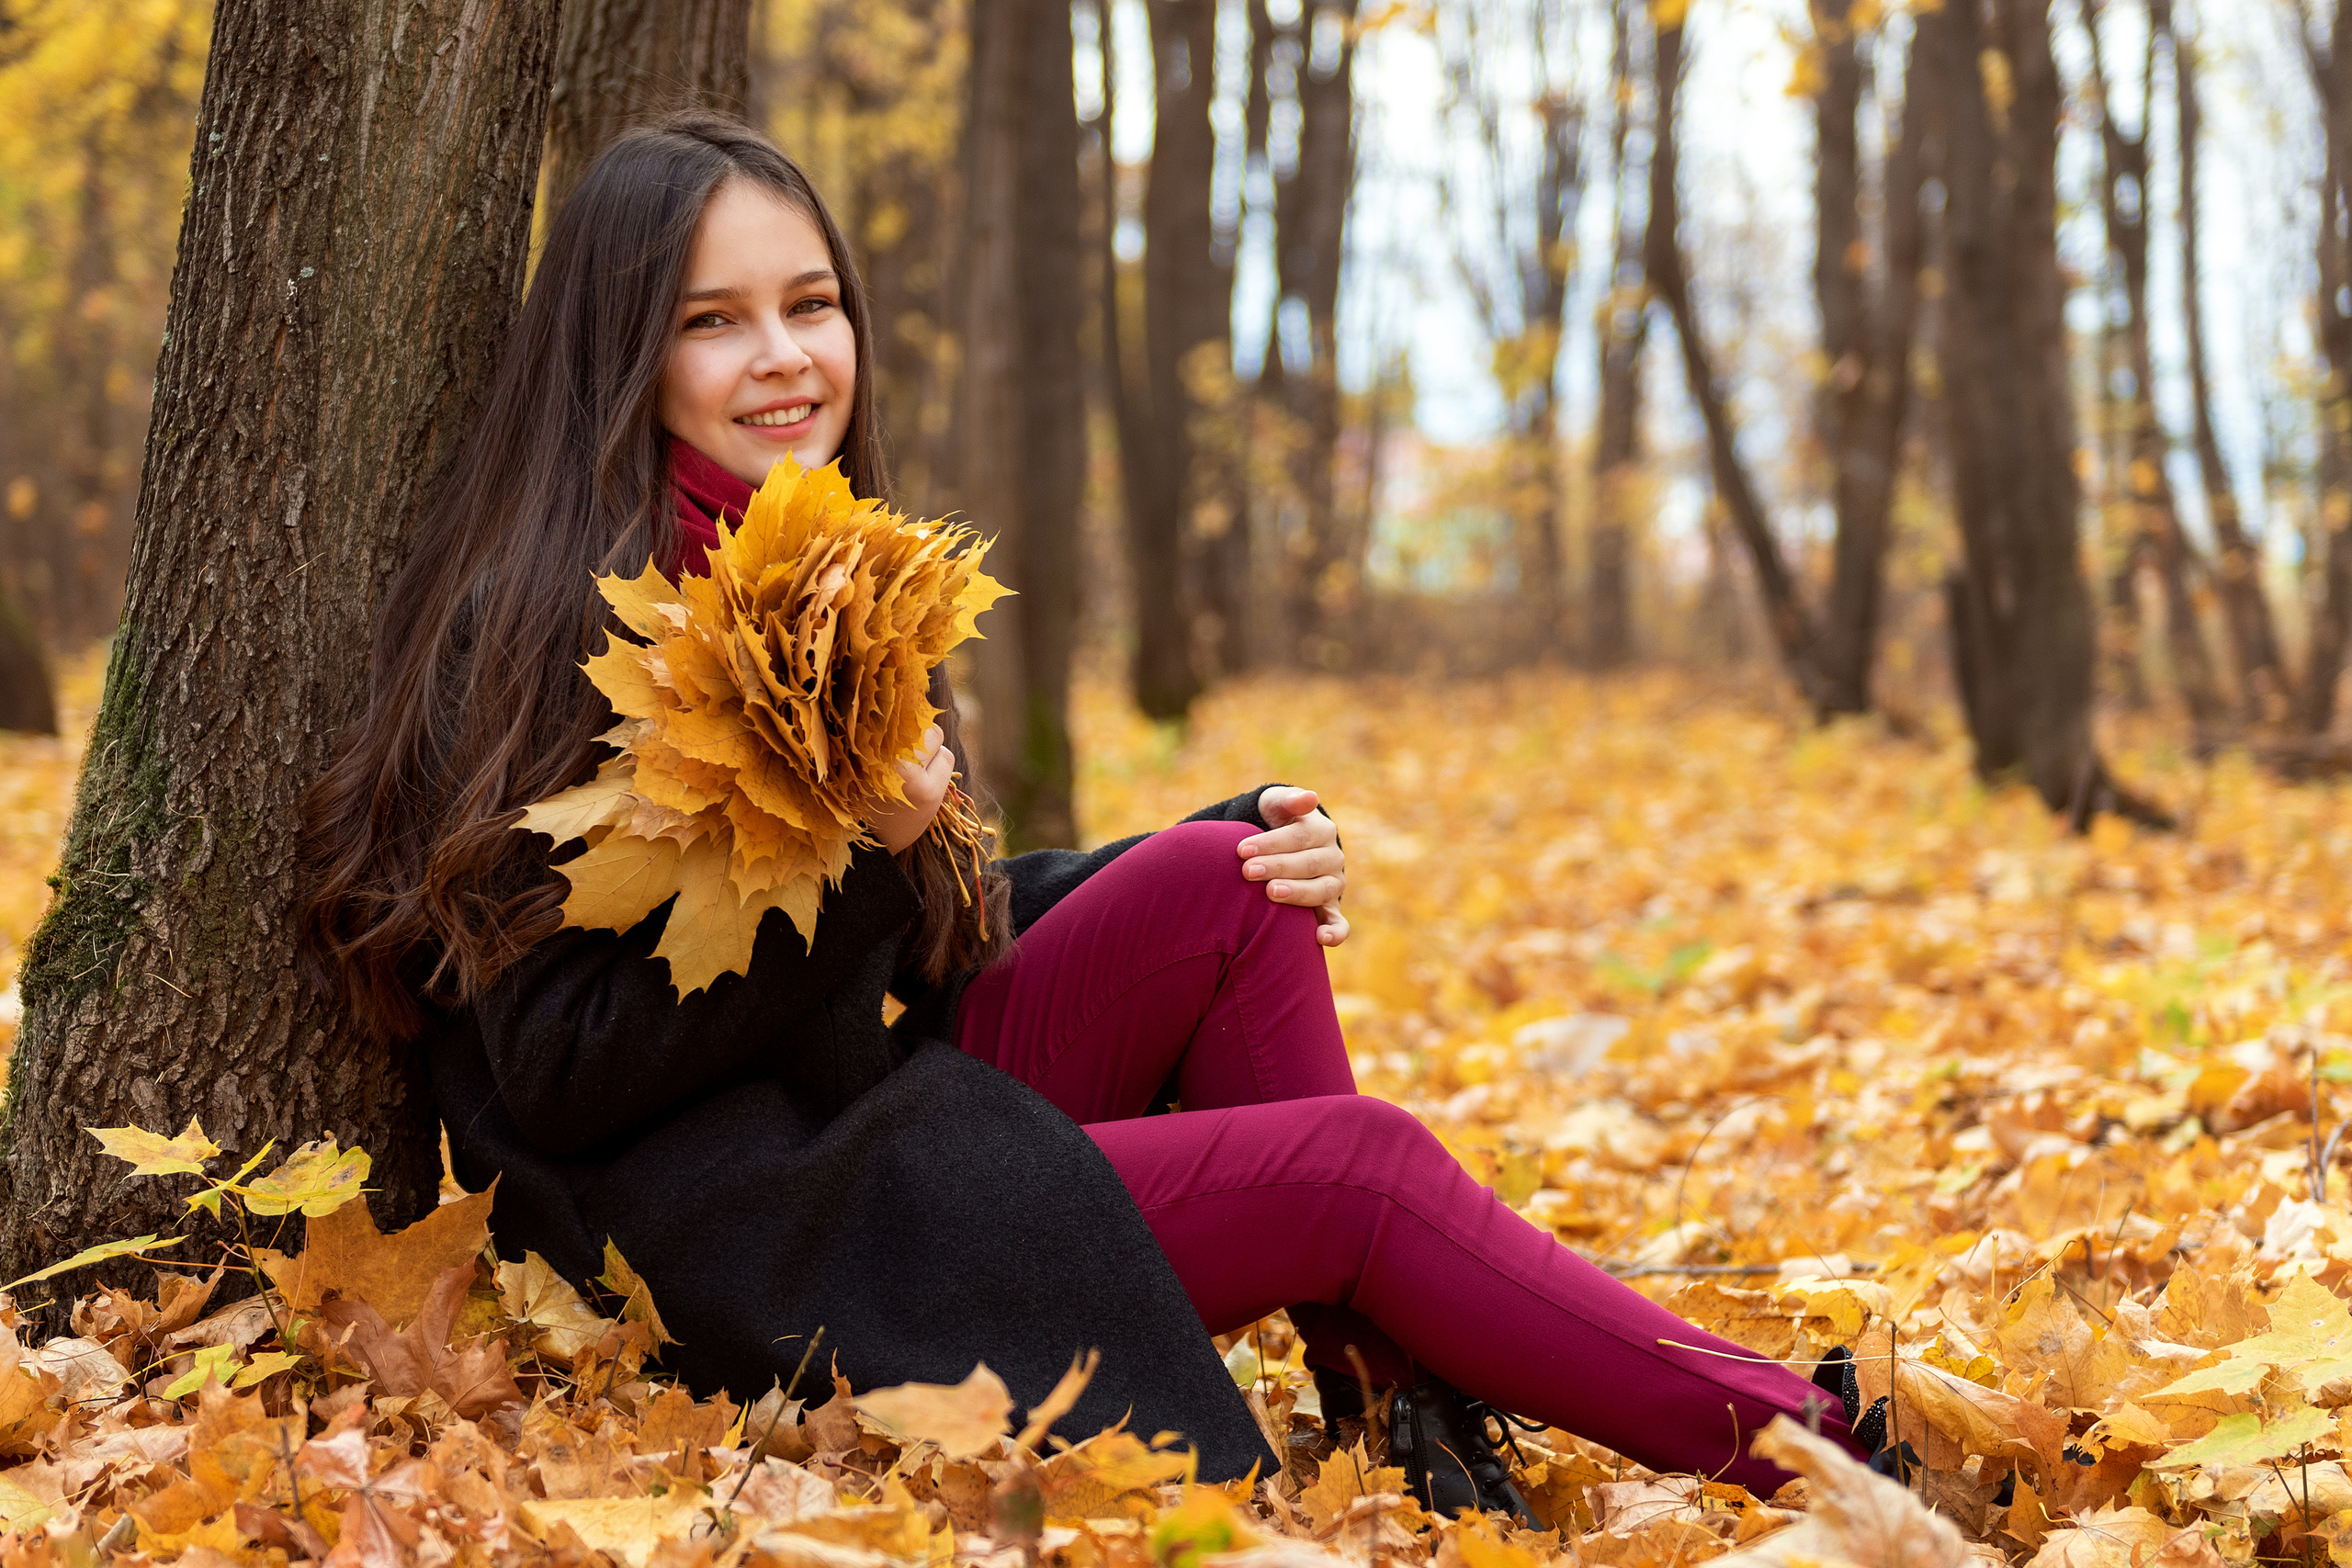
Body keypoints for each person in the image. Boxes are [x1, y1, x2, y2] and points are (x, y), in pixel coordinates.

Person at [301, 111, 1862, 1513]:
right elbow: (564, 1074)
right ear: (623, 356)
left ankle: (1401, 1408)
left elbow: (917, 930)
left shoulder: (825, 569)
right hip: (745, 1239)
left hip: (863, 1115)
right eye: (714, 323)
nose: (783, 355)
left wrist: (1200, 837)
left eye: (810, 303)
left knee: (1226, 879)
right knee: (1359, 1174)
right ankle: (1816, 1443)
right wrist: (867, 864)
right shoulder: (556, 624)